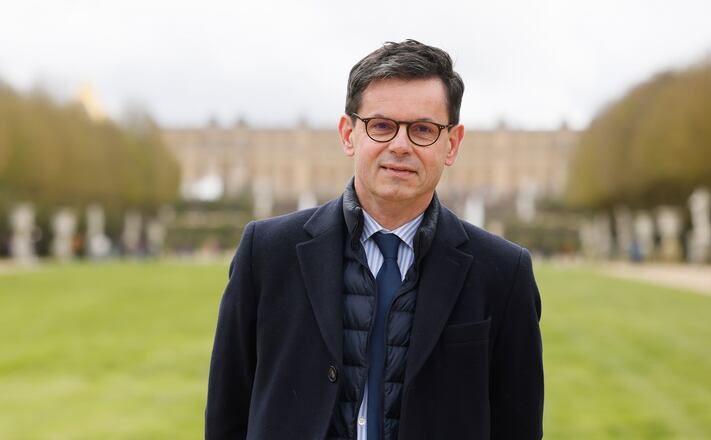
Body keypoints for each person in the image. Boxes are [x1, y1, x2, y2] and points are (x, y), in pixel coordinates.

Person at [205, 39, 544, 440]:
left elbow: (517, 426)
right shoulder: (266, 253)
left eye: (423, 129)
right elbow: (228, 415)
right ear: (349, 134)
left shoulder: (503, 273)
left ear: (451, 144)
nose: (400, 146)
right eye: (381, 125)